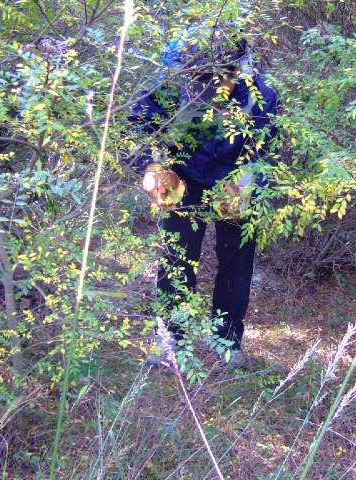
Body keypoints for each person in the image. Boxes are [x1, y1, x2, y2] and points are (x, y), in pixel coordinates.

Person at [129, 24, 279, 369]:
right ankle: (170, 338)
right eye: (196, 77)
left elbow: (267, 147)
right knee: (176, 258)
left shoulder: (261, 92)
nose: (202, 85)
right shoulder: (172, 81)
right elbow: (138, 126)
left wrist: (248, 181)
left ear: (234, 70)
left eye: (212, 78)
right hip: (181, 176)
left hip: (235, 179)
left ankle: (228, 340)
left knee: (237, 262)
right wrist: (152, 166)